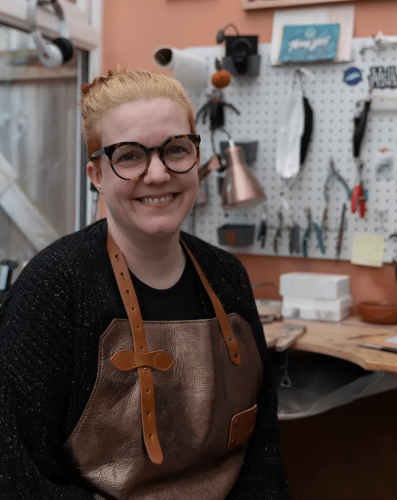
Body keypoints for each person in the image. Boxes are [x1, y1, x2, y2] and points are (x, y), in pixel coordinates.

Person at [0, 67, 291, 499]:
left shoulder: (227, 277)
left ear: (195, 156)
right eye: (129, 155)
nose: (157, 175)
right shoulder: (54, 288)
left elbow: (260, 451)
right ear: (96, 175)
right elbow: (20, 476)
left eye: (175, 149)